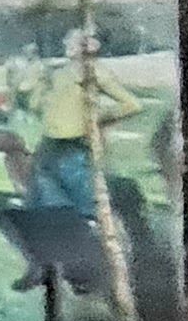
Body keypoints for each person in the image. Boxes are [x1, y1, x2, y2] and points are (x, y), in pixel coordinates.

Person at [33, 32, 143, 215]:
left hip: (74, 146)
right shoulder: (58, 73)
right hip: (48, 144)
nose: (66, 43)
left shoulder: (95, 73)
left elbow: (132, 104)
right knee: (44, 201)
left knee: (82, 203)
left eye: (74, 41)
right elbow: (39, 105)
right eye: (67, 39)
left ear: (87, 46)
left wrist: (99, 117)